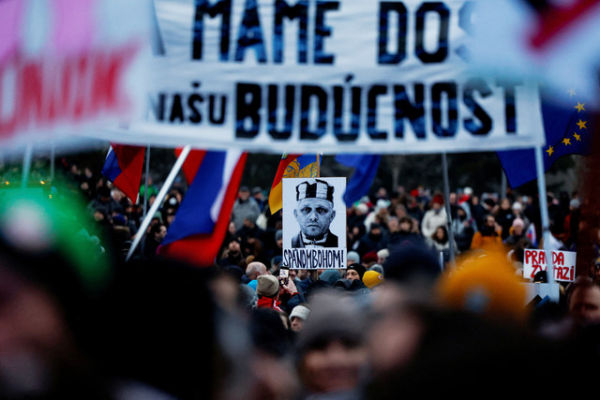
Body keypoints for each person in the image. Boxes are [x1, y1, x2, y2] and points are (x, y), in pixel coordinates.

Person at [291, 179, 339, 248]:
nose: (313, 217)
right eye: (306, 210)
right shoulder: (288, 244)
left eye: (321, 210)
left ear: (332, 215)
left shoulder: (341, 243)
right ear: (296, 214)